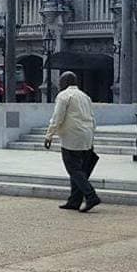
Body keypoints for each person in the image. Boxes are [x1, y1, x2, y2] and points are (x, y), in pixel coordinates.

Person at [44, 72, 101, 213]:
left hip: (72, 137)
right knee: (79, 169)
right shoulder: (85, 96)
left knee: (74, 169)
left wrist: (49, 135)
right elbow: (92, 117)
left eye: (60, 81)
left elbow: (57, 117)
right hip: (86, 136)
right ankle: (74, 200)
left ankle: (91, 195)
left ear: (65, 82)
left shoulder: (63, 96)